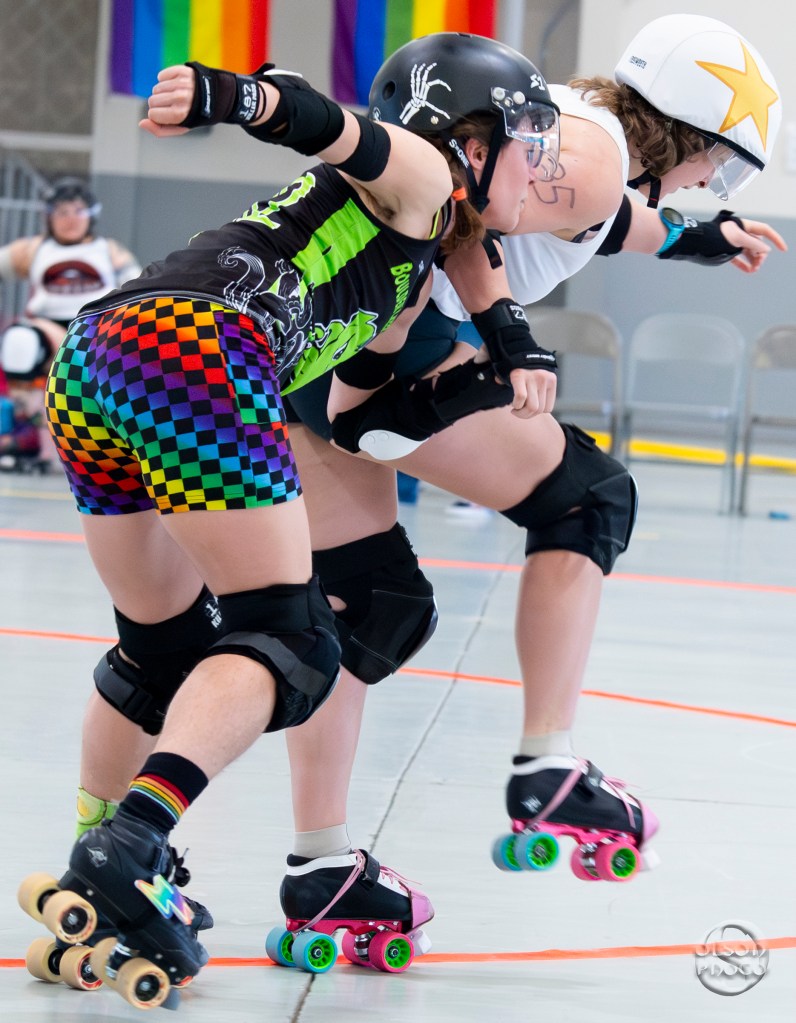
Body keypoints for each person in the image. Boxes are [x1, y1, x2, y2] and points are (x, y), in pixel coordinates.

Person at [21, 39, 563, 1001]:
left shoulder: (412, 260)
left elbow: (364, 405)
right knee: (294, 638)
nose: (542, 168)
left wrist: (501, 355)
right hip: (198, 346)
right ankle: (135, 840)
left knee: (158, 651)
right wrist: (231, 97)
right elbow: (333, 127)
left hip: (98, 352)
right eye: (530, 143)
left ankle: (93, 865)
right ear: (472, 146)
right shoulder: (421, 176)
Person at [274, 11, 783, 918]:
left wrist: (708, 239)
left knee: (368, 606)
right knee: (588, 499)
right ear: (689, 130)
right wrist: (509, 335)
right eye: (720, 162)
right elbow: (457, 214)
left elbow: (612, 223)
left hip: (313, 340)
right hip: (392, 346)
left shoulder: (582, 137)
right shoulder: (592, 160)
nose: (712, 181)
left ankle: (321, 863)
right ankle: (548, 763)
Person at [0, 178, 140, 470]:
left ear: (91, 216)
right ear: (49, 216)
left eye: (78, 211)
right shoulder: (34, 248)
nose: (70, 219)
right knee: (19, 343)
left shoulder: (108, 249)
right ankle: (36, 441)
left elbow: (138, 288)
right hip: (48, 329)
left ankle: (108, 446)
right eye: (62, 212)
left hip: (98, 328)